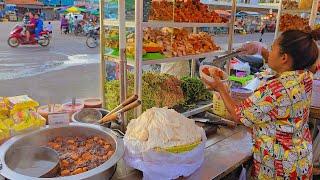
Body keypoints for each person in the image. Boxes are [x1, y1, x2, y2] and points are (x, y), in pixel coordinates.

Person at [202, 29, 320, 179]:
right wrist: (260, 50)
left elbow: (238, 115)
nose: (269, 52)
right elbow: (280, 68)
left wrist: (220, 87)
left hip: (279, 167)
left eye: (272, 49)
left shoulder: (275, 89)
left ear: (284, 57)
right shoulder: (305, 76)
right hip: (299, 160)